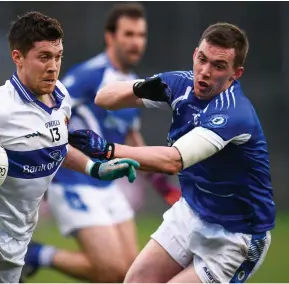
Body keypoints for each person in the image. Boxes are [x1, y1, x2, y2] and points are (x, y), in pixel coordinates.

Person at [0, 11, 141, 284]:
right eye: (44, 57)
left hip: (18, 235)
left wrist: (94, 168)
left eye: (58, 56)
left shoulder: (61, 98)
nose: (53, 66)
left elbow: (56, 146)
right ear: (18, 57)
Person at [69, 22, 275, 283]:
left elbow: (173, 161)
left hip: (236, 235)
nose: (205, 72)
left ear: (236, 73)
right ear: (194, 55)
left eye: (218, 66)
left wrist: (108, 150)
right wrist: (144, 86)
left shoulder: (234, 113)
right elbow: (103, 98)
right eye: (202, 59)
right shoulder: (181, 84)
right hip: (191, 212)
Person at [22, 3, 180, 283]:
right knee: (113, 271)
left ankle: (36, 256)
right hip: (74, 181)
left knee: (132, 274)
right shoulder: (90, 75)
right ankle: (35, 255)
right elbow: (48, 109)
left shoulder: (133, 83)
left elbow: (131, 138)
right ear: (110, 37)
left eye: (141, 35)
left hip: (109, 185)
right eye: (128, 34)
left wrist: (162, 186)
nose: (136, 42)